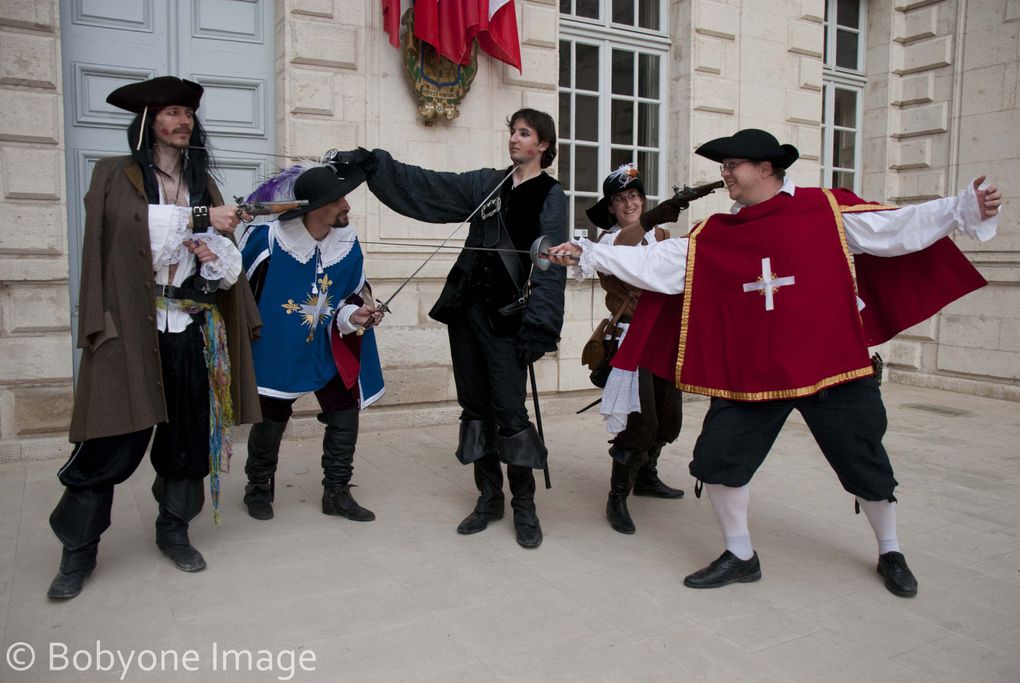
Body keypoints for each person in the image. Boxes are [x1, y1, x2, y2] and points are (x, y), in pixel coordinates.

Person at [548, 128, 1002, 597]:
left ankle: (890, 549)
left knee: (866, 465)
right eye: (723, 167)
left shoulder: (823, 209)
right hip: (752, 376)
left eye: (732, 166)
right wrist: (589, 251)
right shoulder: (716, 234)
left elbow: (897, 226)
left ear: (766, 167)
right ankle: (740, 554)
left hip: (833, 367)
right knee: (718, 462)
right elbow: (660, 261)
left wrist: (962, 208)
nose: (724, 175)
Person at [47, 76, 263, 599]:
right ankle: (78, 552)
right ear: (147, 121)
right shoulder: (113, 175)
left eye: (187, 113)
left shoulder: (202, 184)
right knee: (107, 446)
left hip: (187, 328)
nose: (182, 121)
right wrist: (198, 217)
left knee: (186, 444)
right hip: (128, 328)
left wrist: (215, 257)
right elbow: (128, 229)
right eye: (171, 112)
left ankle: (174, 530)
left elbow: (220, 261)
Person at [335, 108, 567, 548]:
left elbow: (551, 261)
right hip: (466, 314)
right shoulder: (488, 183)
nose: (514, 139)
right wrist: (375, 165)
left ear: (543, 145)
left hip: (506, 320)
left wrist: (541, 323)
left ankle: (524, 506)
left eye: (524, 133)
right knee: (475, 409)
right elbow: (432, 186)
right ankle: (489, 499)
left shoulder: (551, 194)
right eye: (512, 131)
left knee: (510, 414)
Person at [239, 165, 385, 522]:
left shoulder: (347, 245)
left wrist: (357, 315)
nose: (345, 205)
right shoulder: (268, 242)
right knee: (270, 420)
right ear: (315, 206)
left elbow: (350, 297)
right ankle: (258, 485)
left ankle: (336, 492)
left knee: (344, 412)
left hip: (328, 345)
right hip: (277, 348)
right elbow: (239, 297)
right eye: (337, 199)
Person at [584, 164, 685, 535]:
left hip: (666, 337)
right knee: (641, 423)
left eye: (634, 196)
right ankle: (617, 497)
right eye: (620, 199)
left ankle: (647, 477)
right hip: (631, 340)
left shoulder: (664, 236)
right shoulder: (609, 243)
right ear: (611, 208)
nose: (629, 203)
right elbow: (629, 252)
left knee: (668, 416)